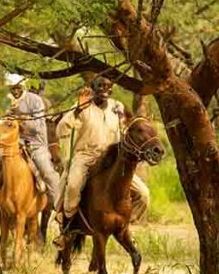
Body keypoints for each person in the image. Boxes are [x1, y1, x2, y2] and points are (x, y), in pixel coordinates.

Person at [0, 73, 60, 240]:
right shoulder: (10, 103)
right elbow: (0, 126)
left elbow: (38, 128)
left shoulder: (35, 100)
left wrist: (22, 118)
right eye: (12, 89)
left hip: (35, 145)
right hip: (14, 145)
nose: (15, 92)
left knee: (49, 173)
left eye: (18, 88)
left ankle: (60, 213)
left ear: (23, 87)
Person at [55, 75, 150, 225]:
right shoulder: (82, 105)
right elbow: (62, 128)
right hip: (86, 156)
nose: (104, 89)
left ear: (111, 89)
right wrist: (78, 109)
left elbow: (128, 127)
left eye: (107, 86)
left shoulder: (117, 107)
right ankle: (67, 224)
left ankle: (124, 225)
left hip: (112, 158)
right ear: (92, 89)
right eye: (100, 86)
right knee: (73, 186)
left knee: (143, 194)